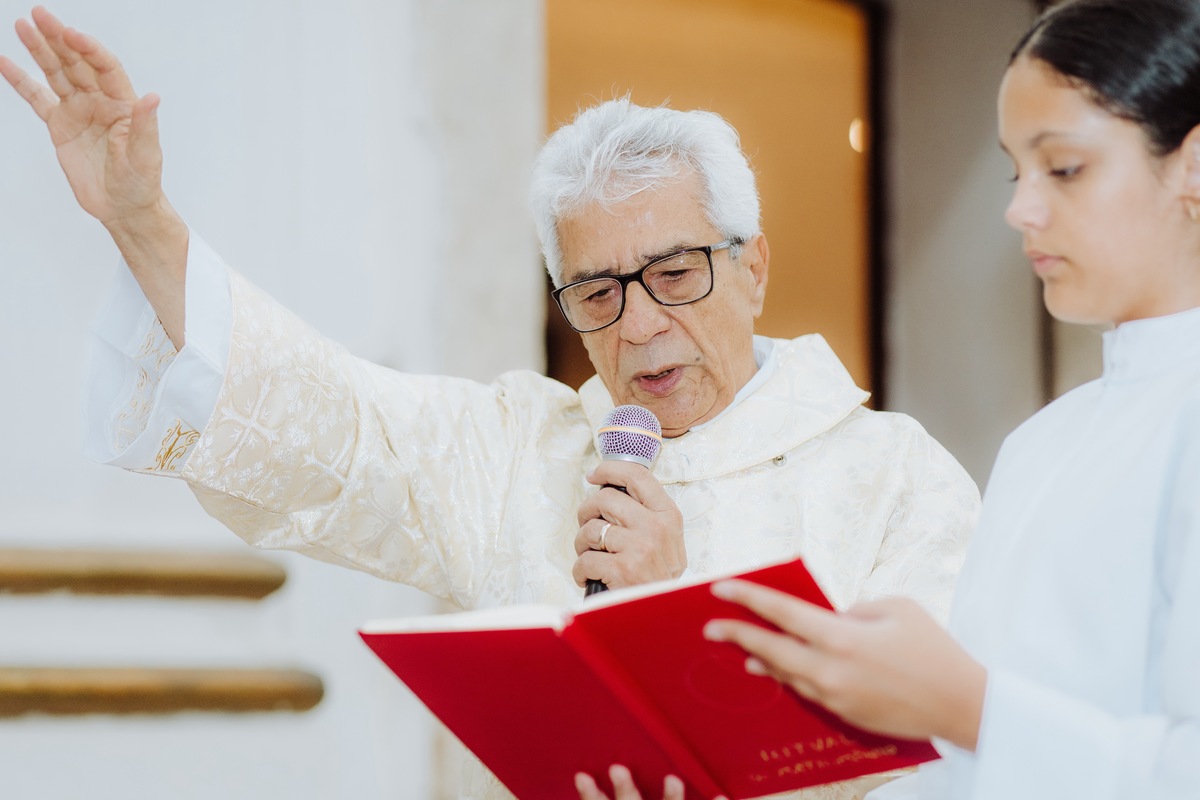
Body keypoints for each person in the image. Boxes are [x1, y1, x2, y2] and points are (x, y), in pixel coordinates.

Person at [1, 7, 980, 800]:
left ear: (752, 265)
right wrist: (144, 222)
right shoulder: (524, 448)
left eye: (673, 272)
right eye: (597, 290)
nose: (637, 325)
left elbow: (949, 758)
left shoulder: (895, 480)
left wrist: (672, 604)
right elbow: (331, 418)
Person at [674, 1, 1200, 799]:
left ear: (1192, 166)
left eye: (1062, 168)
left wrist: (969, 708)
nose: (1019, 209)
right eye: (1014, 171)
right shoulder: (1039, 447)